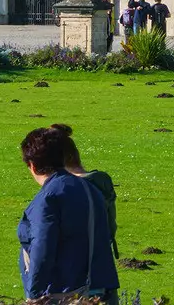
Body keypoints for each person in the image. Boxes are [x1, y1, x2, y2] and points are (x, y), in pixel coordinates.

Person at [17, 123, 119, 301]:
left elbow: (43, 248)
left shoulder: (49, 198)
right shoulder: (90, 189)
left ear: (32, 166)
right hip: (101, 289)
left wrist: (34, 296)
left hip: (66, 292)